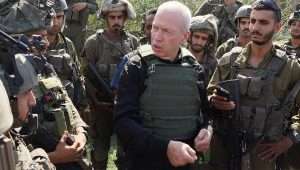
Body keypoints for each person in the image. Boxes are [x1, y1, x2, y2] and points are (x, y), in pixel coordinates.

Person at [114, 1, 212, 170]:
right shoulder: (136, 66)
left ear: (185, 36)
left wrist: (207, 130)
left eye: (166, 31)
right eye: (155, 28)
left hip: (186, 161)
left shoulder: (195, 68)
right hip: (145, 162)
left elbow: (205, 113)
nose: (157, 36)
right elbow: (123, 122)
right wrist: (165, 148)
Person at [208, 0, 300, 170]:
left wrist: (289, 140)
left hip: (264, 154)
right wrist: (214, 101)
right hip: (227, 149)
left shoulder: (290, 67)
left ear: (278, 27)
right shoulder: (230, 60)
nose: (255, 27)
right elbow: (210, 93)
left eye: (264, 22)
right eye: (252, 21)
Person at [1, 1, 90, 169]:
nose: (46, 43)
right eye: (40, 38)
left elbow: (66, 102)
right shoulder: (5, 89)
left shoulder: (44, 66)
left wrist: (80, 133)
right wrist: (55, 157)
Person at [82, 0, 139, 169]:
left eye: (120, 17)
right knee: (99, 152)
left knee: (126, 153)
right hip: (101, 110)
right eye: (112, 17)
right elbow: (85, 76)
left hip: (126, 109)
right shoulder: (93, 43)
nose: (116, 21)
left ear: (125, 18)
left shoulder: (133, 43)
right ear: (105, 18)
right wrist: (96, 102)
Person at [0, 44, 55, 170]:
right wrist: (41, 156)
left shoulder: (9, 135)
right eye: (26, 93)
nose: (33, 101)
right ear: (7, 100)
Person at [46, 0, 88, 118]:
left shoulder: (67, 44)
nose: (55, 22)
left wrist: (81, 106)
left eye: (59, 17)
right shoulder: (32, 43)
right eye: (50, 17)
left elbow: (78, 76)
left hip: (66, 106)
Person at [188, 14, 218, 82]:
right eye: (196, 36)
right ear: (189, 36)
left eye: (204, 38)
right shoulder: (179, 59)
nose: (199, 42)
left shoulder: (214, 64)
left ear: (208, 41)